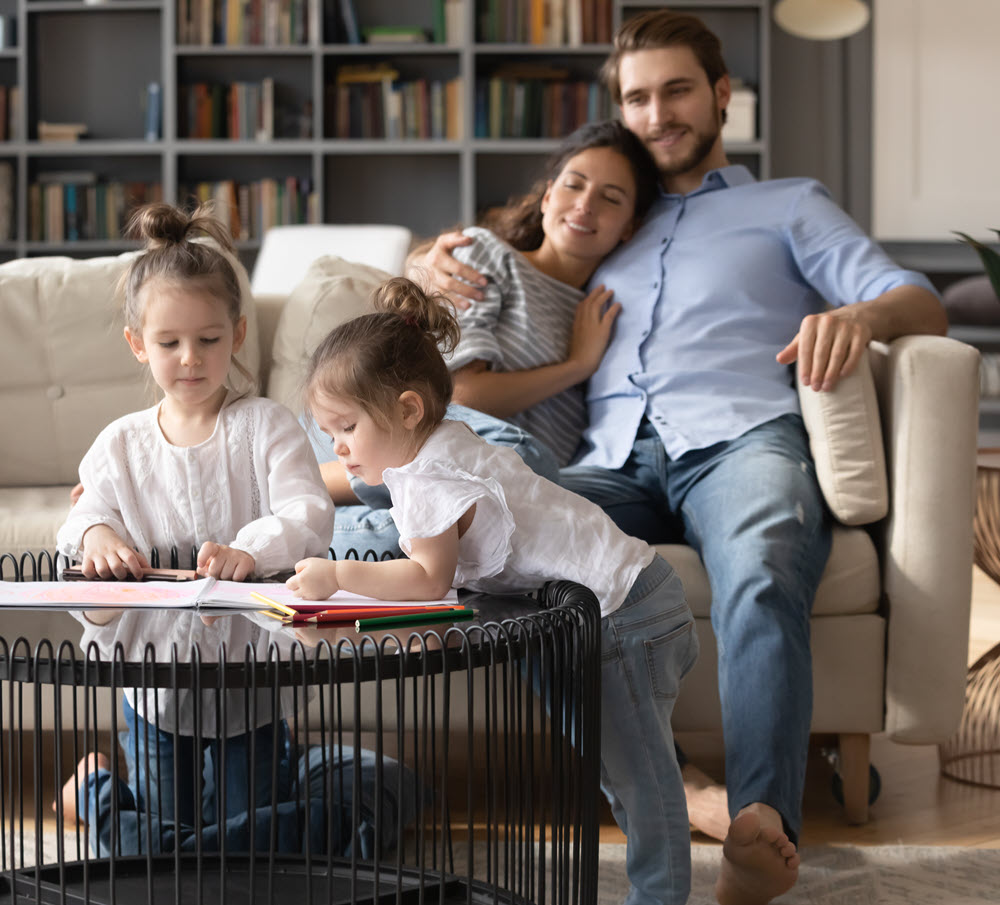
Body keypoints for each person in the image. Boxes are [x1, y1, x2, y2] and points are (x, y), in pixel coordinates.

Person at [414, 10, 949, 904]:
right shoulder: (613, 219)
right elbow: (516, 270)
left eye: (676, 91)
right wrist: (434, 257)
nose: (656, 112)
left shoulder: (787, 204)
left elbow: (918, 300)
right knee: (506, 556)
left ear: (721, 96)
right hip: (611, 457)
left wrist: (857, 315)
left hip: (743, 439)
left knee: (765, 563)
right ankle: (680, 787)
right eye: (636, 97)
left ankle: (760, 824)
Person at [286, 277, 699, 905]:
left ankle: (661, 898)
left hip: (625, 612)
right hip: (627, 602)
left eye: (345, 427)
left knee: (641, 781)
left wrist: (339, 575)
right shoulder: (443, 445)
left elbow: (427, 579)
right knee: (620, 771)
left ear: (406, 410)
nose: (337, 448)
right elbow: (449, 581)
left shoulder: (427, 477)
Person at [54, 202, 411, 857]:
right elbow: (83, 518)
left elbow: (308, 512)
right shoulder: (119, 445)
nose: (190, 358)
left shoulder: (267, 425)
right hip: (155, 690)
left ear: (238, 333)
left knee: (235, 849)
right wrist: (95, 538)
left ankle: (127, 807)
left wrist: (252, 548)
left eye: (209, 339)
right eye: (169, 343)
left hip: (252, 688)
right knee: (197, 846)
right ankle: (99, 789)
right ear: (138, 344)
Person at [309, 119, 660, 558]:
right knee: (521, 459)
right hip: (429, 437)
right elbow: (465, 394)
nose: (586, 205)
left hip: (492, 483)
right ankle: (318, 486)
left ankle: (330, 525)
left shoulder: (601, 310)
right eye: (574, 185)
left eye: (610, 198)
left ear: (630, 226)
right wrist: (575, 367)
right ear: (548, 196)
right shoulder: (487, 256)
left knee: (535, 480)